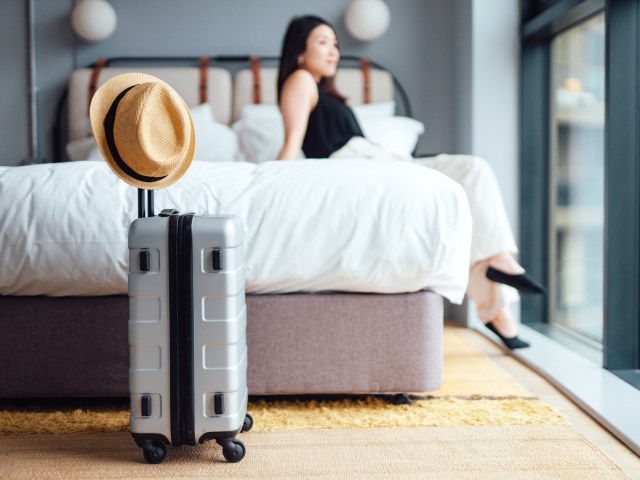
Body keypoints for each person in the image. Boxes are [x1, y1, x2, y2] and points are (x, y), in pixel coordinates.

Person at [275, 15, 546, 349]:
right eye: (322, 42)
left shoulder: (323, 90)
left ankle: (497, 273)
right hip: (362, 169)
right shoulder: (301, 80)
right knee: (470, 172)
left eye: (335, 43)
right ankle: (497, 298)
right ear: (299, 51)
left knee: (471, 177)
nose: (333, 50)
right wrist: (274, 191)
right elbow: (292, 143)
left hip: (383, 164)